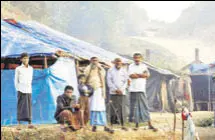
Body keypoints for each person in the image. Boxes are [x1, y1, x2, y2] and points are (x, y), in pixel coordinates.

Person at [128, 53, 157, 131]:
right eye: (135, 58)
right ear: (133, 58)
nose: (137, 59)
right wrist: (141, 75)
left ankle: (149, 124)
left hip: (141, 89)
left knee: (144, 106)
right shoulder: (131, 66)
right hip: (133, 89)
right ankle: (136, 125)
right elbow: (131, 76)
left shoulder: (144, 66)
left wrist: (137, 75)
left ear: (141, 59)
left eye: (138, 58)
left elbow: (147, 75)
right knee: (135, 108)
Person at [85, 57, 114, 133]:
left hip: (100, 90)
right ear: (90, 61)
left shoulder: (101, 68)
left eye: (96, 60)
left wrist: (99, 69)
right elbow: (85, 77)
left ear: (98, 61)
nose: (94, 62)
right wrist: (91, 69)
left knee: (101, 107)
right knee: (92, 107)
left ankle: (104, 125)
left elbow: (103, 76)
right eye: (93, 60)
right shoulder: (88, 68)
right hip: (91, 90)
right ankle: (93, 125)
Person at [107, 58, 128, 131]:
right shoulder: (110, 70)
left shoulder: (124, 71)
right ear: (114, 63)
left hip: (122, 92)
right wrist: (115, 89)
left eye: (120, 62)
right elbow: (109, 81)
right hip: (113, 92)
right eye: (117, 62)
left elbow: (126, 81)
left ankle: (123, 125)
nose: (118, 63)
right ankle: (111, 125)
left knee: (122, 108)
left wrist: (121, 89)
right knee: (113, 108)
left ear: (121, 63)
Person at [14, 52, 34, 129]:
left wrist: (29, 87)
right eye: (24, 58)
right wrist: (18, 89)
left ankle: (30, 123)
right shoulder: (18, 69)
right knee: (20, 106)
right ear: (21, 59)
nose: (26, 60)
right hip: (21, 89)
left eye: (27, 58)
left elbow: (30, 79)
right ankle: (19, 124)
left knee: (29, 106)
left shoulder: (31, 68)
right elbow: (16, 80)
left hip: (28, 89)